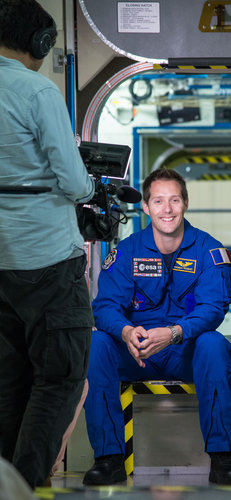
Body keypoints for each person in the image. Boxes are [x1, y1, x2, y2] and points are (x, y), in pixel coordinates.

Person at [83, 167, 231, 486]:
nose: (166, 209)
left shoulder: (209, 251)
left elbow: (213, 310)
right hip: (137, 351)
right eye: (158, 201)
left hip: (184, 352)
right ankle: (108, 459)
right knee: (97, 343)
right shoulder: (128, 252)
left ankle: (223, 458)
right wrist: (127, 332)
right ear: (145, 207)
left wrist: (173, 334)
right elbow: (104, 308)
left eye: (174, 200)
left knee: (213, 344)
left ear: (186, 203)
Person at [0, 0, 95, 489]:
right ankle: (27, 485)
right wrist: (92, 189)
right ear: (40, 44)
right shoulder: (38, 90)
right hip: (46, 261)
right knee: (58, 378)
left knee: (8, 384)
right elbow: (75, 183)